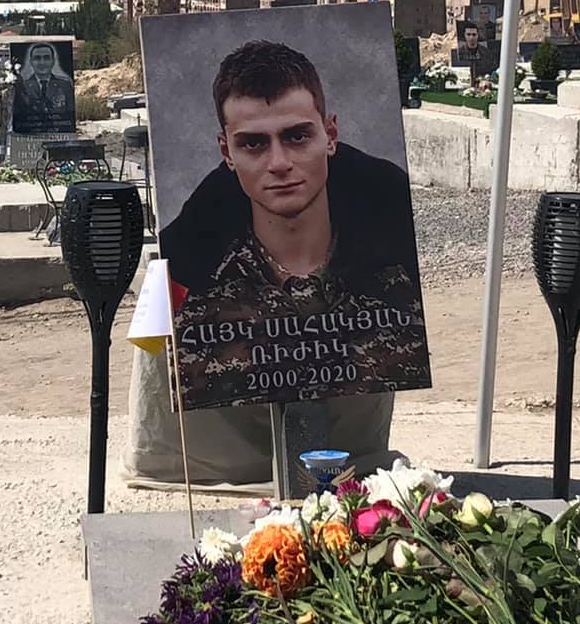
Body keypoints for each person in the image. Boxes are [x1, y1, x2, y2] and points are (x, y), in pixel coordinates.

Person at [160, 39, 428, 406]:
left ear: (330, 136)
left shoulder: (397, 282)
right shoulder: (196, 303)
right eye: (253, 144)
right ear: (227, 153)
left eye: (297, 136)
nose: (279, 163)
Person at [10, 42, 75, 133]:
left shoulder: (65, 85)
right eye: (37, 58)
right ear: (31, 62)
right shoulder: (22, 86)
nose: (42, 63)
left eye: (46, 58)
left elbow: (70, 112)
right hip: (30, 133)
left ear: (53, 61)